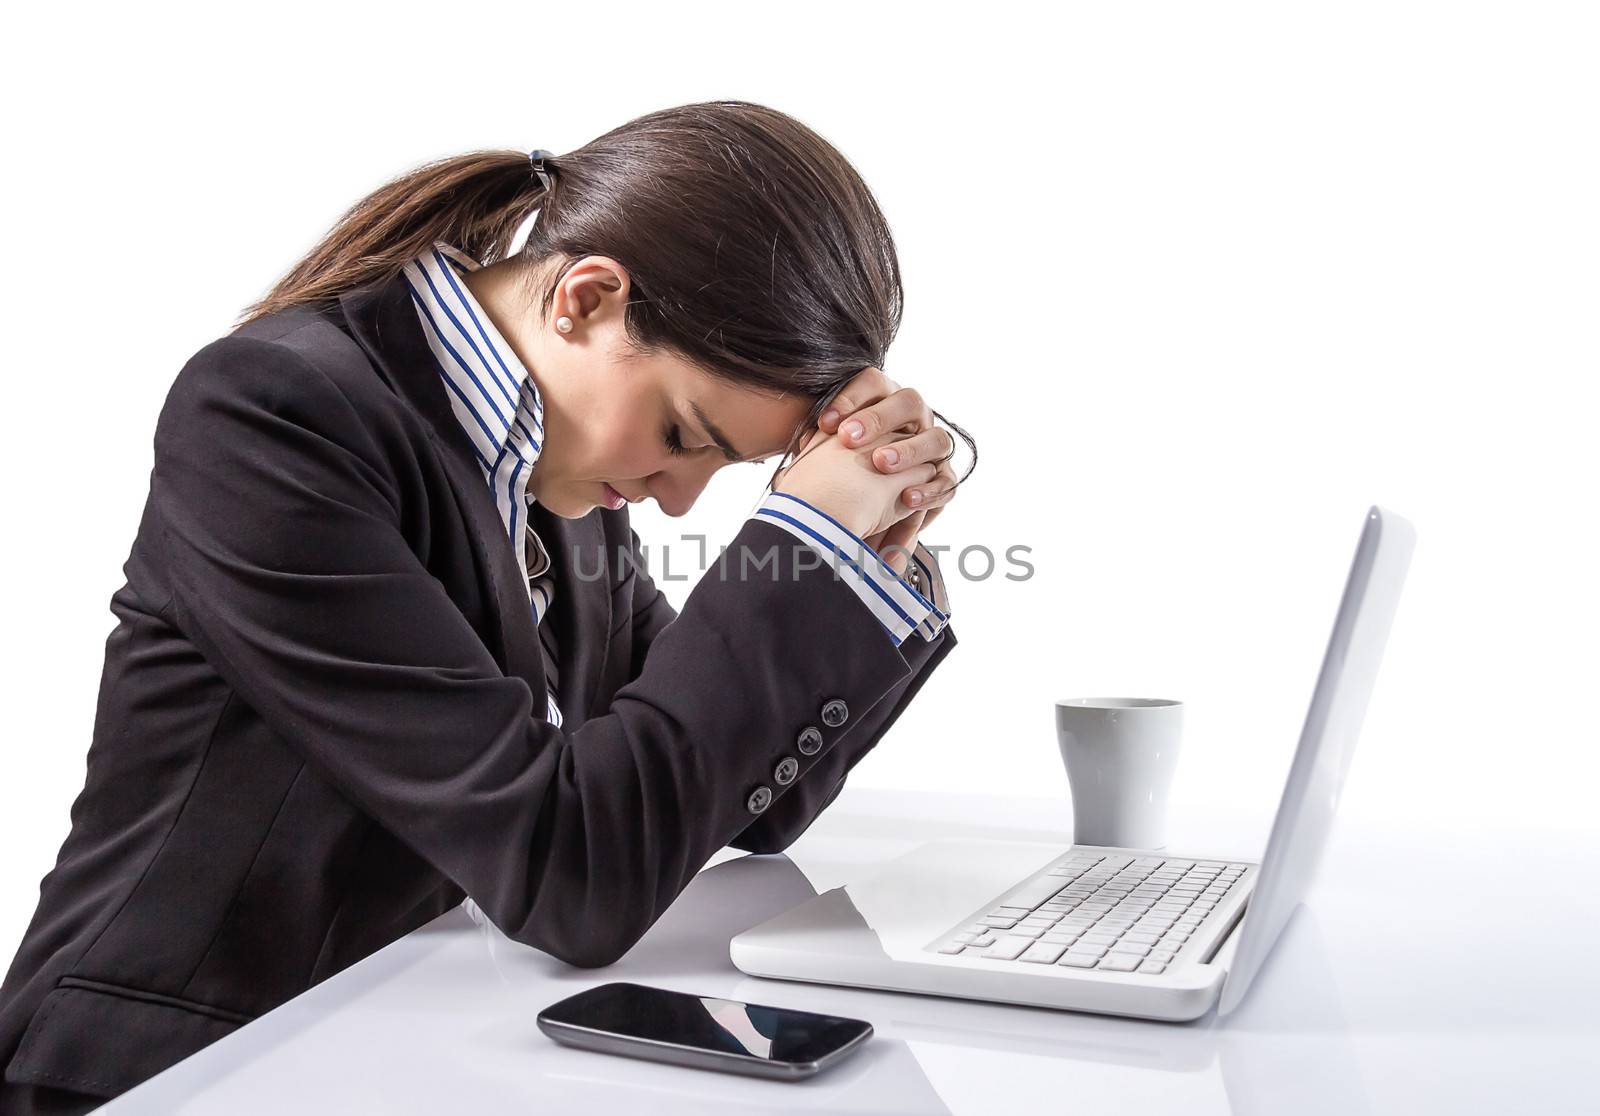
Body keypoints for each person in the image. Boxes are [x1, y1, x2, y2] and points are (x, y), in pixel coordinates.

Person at [0, 100, 972, 1112]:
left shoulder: (559, 459)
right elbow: (575, 875)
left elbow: (731, 807)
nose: (683, 498)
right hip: (167, 1072)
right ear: (585, 300)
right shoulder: (273, 419)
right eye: (686, 436)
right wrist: (799, 550)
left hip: (397, 1045)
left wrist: (863, 558)